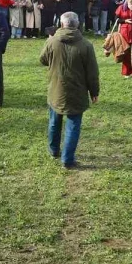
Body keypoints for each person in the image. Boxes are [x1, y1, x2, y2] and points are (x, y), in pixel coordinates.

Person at [39, 12, 100, 169]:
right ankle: (66, 158)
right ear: (77, 25)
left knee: (55, 121)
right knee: (72, 125)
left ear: (61, 24)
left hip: (56, 89)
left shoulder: (52, 41)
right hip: (76, 91)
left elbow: (42, 60)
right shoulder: (86, 45)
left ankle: (55, 151)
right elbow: (92, 73)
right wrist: (94, 92)